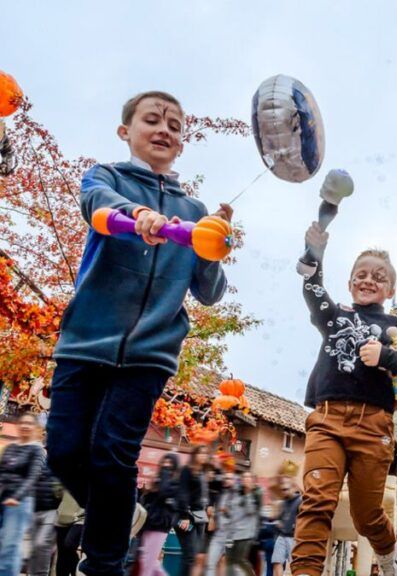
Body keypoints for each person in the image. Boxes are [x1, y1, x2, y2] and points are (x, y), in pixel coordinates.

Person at [44, 91, 232, 576]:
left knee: (113, 450)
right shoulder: (105, 177)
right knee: (64, 450)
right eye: (152, 120)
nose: (164, 129)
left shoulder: (195, 207)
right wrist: (139, 217)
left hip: (151, 351)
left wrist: (214, 245)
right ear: (126, 131)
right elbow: (98, 207)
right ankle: (127, 513)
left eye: (174, 125)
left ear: (182, 144)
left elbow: (209, 293)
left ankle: (102, 565)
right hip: (86, 338)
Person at [289, 221, 397, 576]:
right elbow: (311, 288)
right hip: (327, 420)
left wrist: (385, 356)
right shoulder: (334, 316)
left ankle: (387, 556)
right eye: (361, 274)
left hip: (373, 426)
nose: (369, 280)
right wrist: (314, 254)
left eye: (379, 277)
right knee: (316, 502)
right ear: (350, 282)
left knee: (366, 515)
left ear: (390, 288)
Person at [0, 413, 46, 576]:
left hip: (20, 502)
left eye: (29, 423)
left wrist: (16, 497)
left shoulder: (37, 450)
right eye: (23, 423)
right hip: (3, 497)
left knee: (10, 546)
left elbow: (32, 478)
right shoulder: (11, 447)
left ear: (35, 428)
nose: (25, 426)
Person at [138, 454, 182, 576]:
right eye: (164, 462)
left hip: (161, 525)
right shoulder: (159, 480)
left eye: (170, 463)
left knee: (147, 564)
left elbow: (164, 493)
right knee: (149, 561)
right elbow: (146, 500)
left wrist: (165, 474)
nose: (166, 465)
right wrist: (150, 489)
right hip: (149, 523)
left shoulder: (176, 483)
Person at [27, 437, 63, 576]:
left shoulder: (63, 463)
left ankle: (41, 574)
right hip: (34, 508)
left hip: (53, 510)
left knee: (42, 544)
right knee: (34, 546)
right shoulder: (38, 458)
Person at [178, 446, 212, 576]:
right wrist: (184, 516)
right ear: (195, 454)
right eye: (201, 453)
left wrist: (208, 506)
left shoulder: (202, 472)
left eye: (205, 453)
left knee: (197, 555)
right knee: (190, 556)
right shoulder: (187, 470)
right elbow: (183, 493)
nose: (203, 456)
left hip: (200, 515)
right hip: (188, 514)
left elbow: (202, 494)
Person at [224, 472, 259, 576]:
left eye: (248, 477)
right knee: (229, 560)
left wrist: (248, 493)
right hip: (232, 534)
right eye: (244, 477)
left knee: (239, 560)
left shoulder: (255, 495)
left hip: (245, 535)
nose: (245, 479)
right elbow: (232, 512)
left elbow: (250, 510)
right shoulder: (236, 494)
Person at [271, 476, 300, 576]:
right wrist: (278, 522)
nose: (284, 492)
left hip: (294, 538)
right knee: (276, 562)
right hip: (282, 536)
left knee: (294, 566)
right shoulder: (284, 502)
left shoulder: (300, 501)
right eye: (282, 489)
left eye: (285, 489)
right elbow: (279, 517)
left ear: (293, 487)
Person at [54, 492, 85, 576]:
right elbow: (57, 493)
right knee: (62, 553)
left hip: (81, 517)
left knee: (69, 545)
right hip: (62, 516)